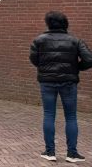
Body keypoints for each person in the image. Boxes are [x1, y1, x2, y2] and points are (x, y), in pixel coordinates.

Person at [30, 11, 92, 163]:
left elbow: (34, 60)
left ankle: (50, 152)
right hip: (69, 83)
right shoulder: (75, 41)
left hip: (47, 82)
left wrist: (45, 68)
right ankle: (72, 153)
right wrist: (75, 68)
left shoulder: (39, 40)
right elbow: (89, 59)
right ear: (65, 24)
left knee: (49, 115)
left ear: (48, 23)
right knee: (71, 117)